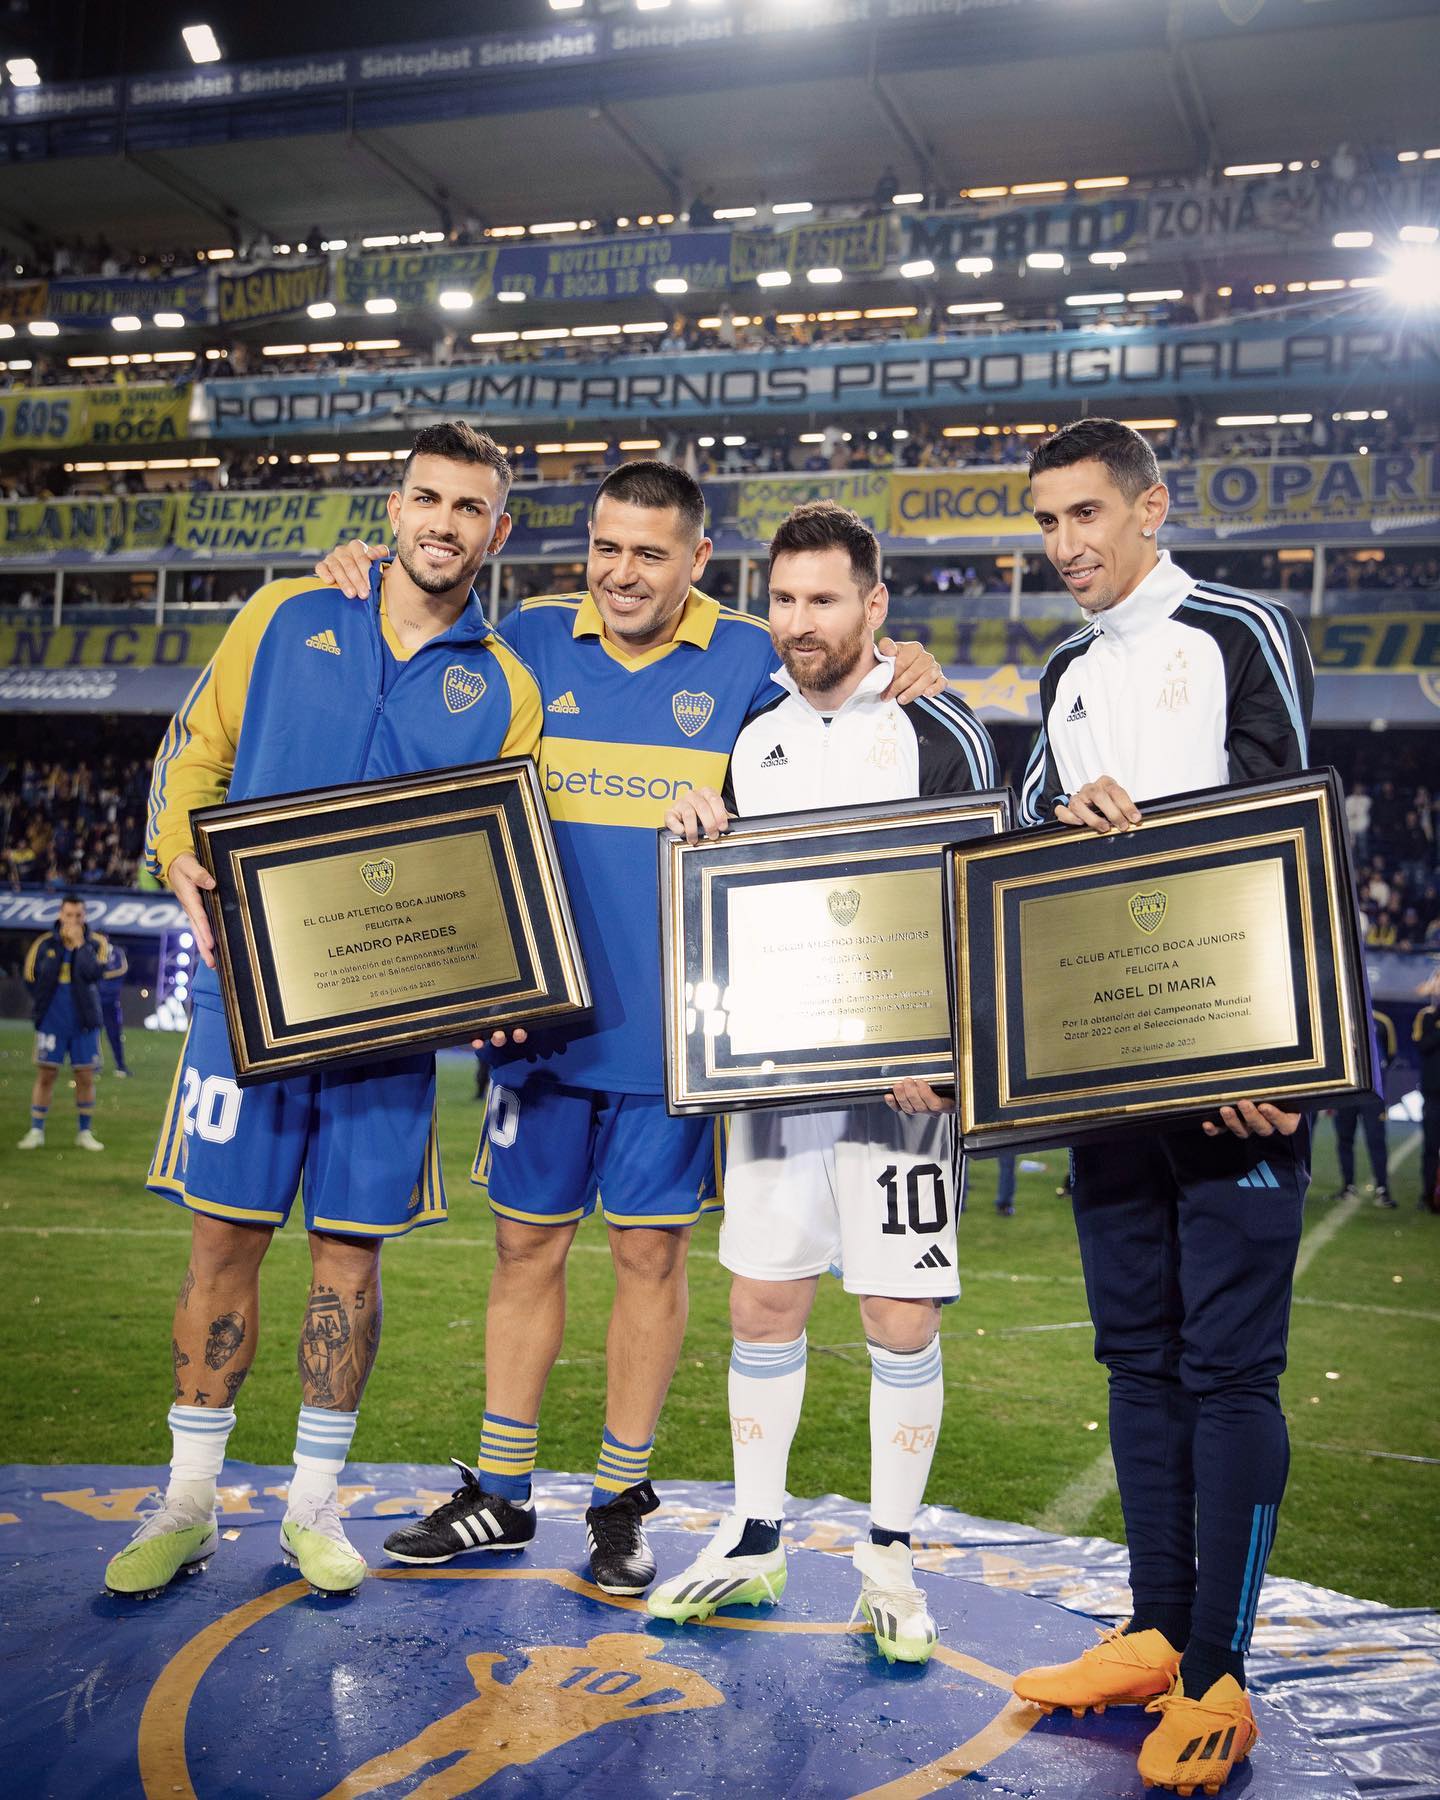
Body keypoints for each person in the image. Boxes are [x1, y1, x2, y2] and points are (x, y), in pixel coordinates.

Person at [314, 465, 944, 1595]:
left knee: (651, 1255)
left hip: (682, 1039)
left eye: (650, 553)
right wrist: (354, 574)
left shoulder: (752, 656)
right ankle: (502, 1493)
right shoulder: (529, 639)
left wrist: (910, 663)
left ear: (697, 560)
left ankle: (619, 1502)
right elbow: (419, 660)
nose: (621, 572)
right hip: (542, 1026)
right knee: (523, 1249)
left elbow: (842, 691)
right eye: (606, 547)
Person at [103, 422, 542, 1603]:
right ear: (393, 509)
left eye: (470, 508)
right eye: (427, 498)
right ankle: (188, 1502)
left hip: (389, 1021)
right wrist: (177, 850)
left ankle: (311, 1508)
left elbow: (505, 858)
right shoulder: (285, 615)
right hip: (250, 993)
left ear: (498, 533)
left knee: (350, 1256)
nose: (444, 523)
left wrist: (498, 980)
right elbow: (195, 756)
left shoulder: (505, 685)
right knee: (222, 1241)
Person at [1011, 418, 1316, 1796]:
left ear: (1151, 507)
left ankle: (1219, 1670)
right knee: (1136, 1357)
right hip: (1107, 1061)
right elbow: (1023, 833)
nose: (1065, 544)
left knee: (1228, 1367)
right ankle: (1152, 1629)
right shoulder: (1066, 672)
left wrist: (1280, 1049)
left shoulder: (1239, 629)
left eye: (1086, 514)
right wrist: (1060, 816)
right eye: (1047, 522)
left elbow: (1294, 829)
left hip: (1235, 1061)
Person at [644, 500, 996, 1662]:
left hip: (906, 1090)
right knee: (763, 1300)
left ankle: (889, 1558)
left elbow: (978, 892)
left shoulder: (937, 726)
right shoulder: (757, 734)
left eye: (825, 599)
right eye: (784, 600)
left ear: (874, 605)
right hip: (781, 1078)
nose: (801, 622)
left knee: (899, 1314)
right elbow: (738, 900)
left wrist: (953, 1049)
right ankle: (755, 1537)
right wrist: (701, 825)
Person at [18, 893, 108, 1152]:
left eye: (78, 915)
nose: (73, 920)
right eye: (69, 915)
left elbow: (95, 973)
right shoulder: (45, 943)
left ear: (85, 916)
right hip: (52, 1022)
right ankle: (36, 1130)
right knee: (46, 1074)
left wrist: (80, 946)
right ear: (60, 915)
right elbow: (30, 977)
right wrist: (42, 1006)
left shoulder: (96, 943)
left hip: (84, 1023)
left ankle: (84, 1132)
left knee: (85, 1076)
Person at [1330, 1007, 1396, 1206]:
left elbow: (1390, 1054)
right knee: (1344, 1138)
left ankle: (1382, 1189)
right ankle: (1348, 1185)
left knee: (1376, 1140)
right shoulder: (1339, 1017)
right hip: (1346, 1092)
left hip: (1372, 1094)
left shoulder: (1382, 1020)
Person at [1415, 980, 1440, 1214]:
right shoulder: (1427, 1016)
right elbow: (1423, 1045)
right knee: (1431, 1147)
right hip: (1433, 1094)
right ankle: (1427, 1194)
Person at [98, 934, 130, 1077]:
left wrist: (101, 975)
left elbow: (123, 969)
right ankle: (93, 1064)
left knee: (114, 1033)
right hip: (93, 1000)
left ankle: (120, 1065)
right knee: (91, 1034)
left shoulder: (116, 952)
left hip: (111, 1000)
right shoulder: (91, 951)